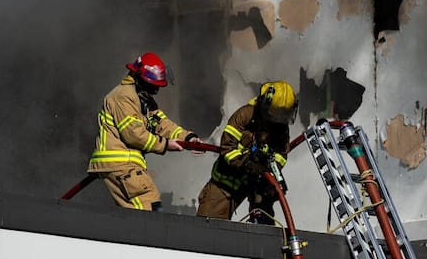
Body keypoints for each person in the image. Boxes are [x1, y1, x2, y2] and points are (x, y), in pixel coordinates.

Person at [87, 51, 197, 211]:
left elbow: (162, 124)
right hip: (121, 164)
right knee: (148, 208)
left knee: (138, 213)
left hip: (127, 164)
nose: (155, 92)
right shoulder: (124, 96)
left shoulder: (142, 98)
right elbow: (134, 135)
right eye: (152, 86)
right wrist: (166, 145)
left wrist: (188, 137)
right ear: (138, 78)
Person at [197, 81, 296, 222]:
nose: (277, 121)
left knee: (264, 223)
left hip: (256, 182)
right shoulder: (245, 115)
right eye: (274, 115)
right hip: (226, 182)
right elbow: (227, 148)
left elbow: (281, 154)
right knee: (208, 227)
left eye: (282, 116)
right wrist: (249, 163)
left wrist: (269, 170)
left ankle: (262, 234)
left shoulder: (281, 127)